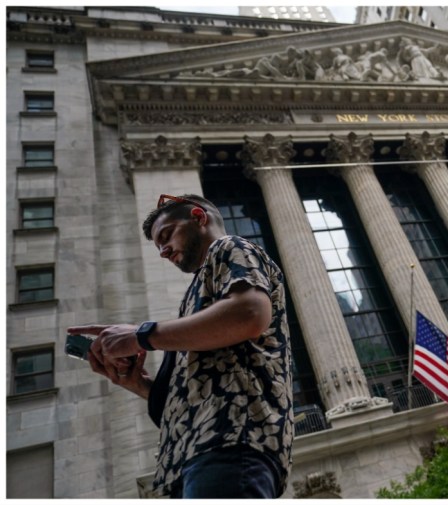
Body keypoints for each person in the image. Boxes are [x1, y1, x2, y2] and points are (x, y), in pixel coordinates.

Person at [68, 193, 293, 498]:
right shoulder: (195, 294)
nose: (162, 251)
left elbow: (250, 314)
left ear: (199, 218)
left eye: (165, 235)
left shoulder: (229, 247)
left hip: (232, 439)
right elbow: (197, 392)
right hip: (192, 456)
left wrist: (140, 335)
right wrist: (139, 384)